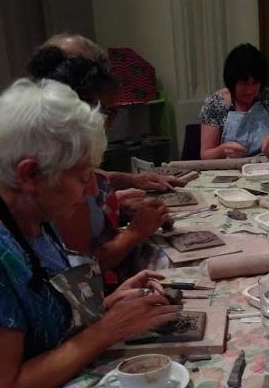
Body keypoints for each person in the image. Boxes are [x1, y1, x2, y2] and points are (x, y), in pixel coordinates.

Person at [0, 79, 181, 388]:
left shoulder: (28, 213)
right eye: (82, 176)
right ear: (29, 174)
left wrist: (110, 304)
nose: (91, 189)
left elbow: (39, 320)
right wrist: (103, 331)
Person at [25, 43, 171, 278]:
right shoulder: (55, 179)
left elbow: (98, 182)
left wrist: (126, 190)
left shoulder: (61, 157)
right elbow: (83, 272)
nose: (111, 122)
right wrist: (134, 233)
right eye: (109, 112)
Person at [199, 43, 269, 159]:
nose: (250, 90)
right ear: (232, 82)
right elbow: (205, 155)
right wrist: (223, 150)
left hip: (265, 167)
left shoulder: (268, 97)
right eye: (244, 84)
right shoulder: (215, 104)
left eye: (255, 83)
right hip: (229, 170)